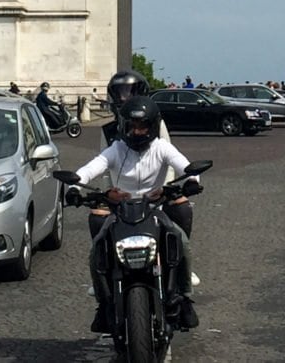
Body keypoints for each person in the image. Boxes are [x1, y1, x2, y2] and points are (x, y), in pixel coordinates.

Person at [74, 96, 200, 332]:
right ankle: (104, 303)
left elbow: (185, 166)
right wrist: (74, 186)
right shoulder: (116, 149)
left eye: (142, 126)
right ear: (123, 126)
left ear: (152, 127)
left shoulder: (162, 147)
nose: (137, 132)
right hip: (120, 212)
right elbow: (91, 168)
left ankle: (184, 297)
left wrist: (191, 180)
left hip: (155, 210)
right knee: (98, 249)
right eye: (132, 126)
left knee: (180, 241)